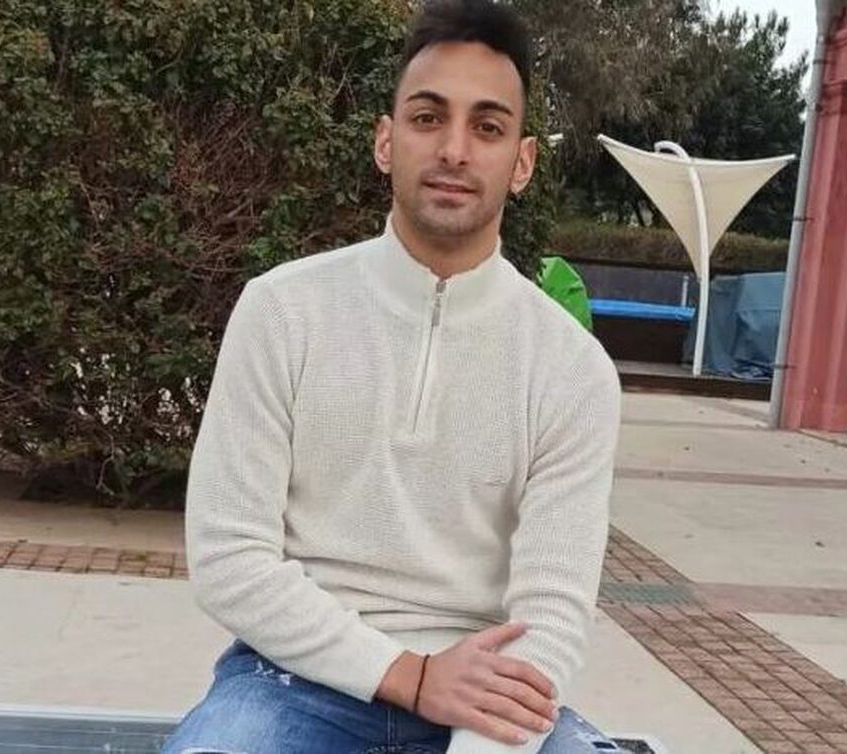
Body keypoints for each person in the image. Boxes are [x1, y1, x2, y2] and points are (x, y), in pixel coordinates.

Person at [162, 1, 622, 752]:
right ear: (386, 141)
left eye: (487, 127)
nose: (454, 150)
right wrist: (410, 675)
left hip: (486, 693)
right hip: (291, 680)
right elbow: (229, 559)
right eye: (427, 118)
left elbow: (552, 616)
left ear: (523, 162)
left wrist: (472, 724)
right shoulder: (283, 311)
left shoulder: (572, 370)